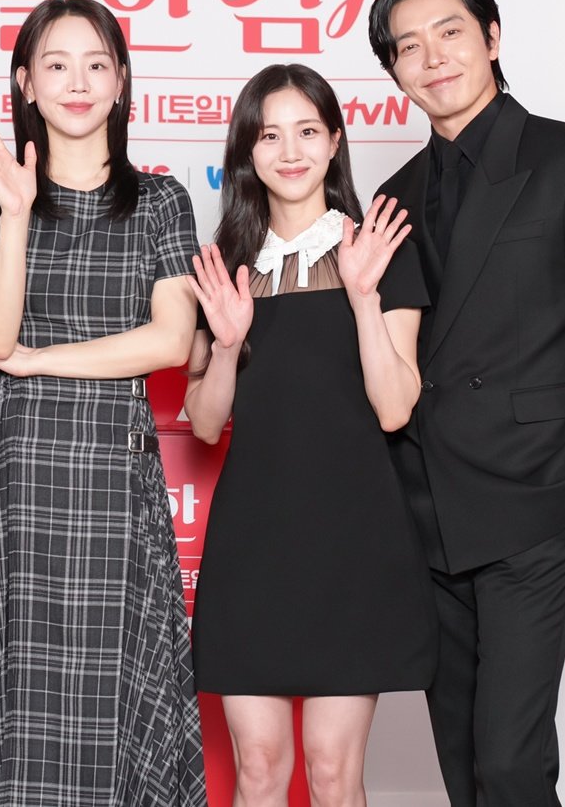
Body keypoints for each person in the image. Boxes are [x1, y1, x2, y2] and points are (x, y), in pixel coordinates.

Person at [367, 0, 565, 807]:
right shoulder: (394, 197)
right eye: (408, 47)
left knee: (509, 763)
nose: (433, 58)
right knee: (464, 765)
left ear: (492, 38)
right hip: (427, 513)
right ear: (394, 72)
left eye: (450, 33)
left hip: (533, 502)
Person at [0, 0, 207, 805]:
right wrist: (17, 212)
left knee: (119, 691)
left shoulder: (160, 200)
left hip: (113, 467)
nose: (77, 82)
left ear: (121, 81)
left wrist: (41, 359)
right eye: (56, 64)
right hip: (15, 470)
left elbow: (171, 341)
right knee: (11, 691)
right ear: (26, 82)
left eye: (95, 64)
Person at [182, 63, 436, 807]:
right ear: (247, 150)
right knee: (260, 769)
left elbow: (395, 407)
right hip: (253, 544)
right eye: (269, 135)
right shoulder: (225, 265)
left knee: (331, 771)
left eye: (307, 131)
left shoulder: (381, 250)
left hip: (355, 542)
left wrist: (363, 297)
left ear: (334, 142)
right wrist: (227, 344)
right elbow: (204, 422)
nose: (290, 151)